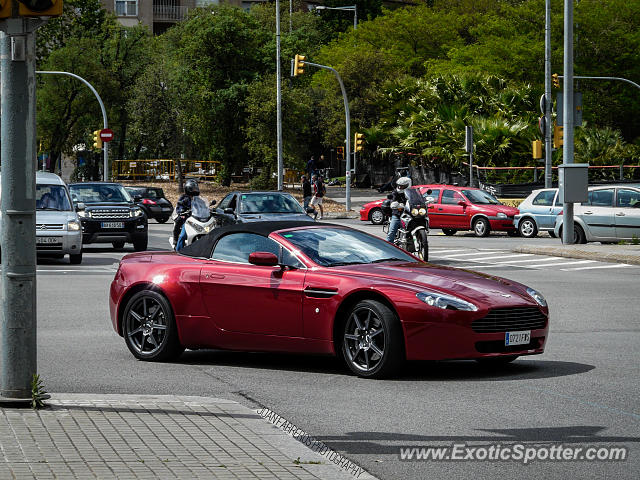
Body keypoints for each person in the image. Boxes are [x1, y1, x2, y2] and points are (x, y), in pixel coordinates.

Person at [173, 179, 199, 251]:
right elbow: (180, 205)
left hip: (197, 218)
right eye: (193, 188)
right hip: (186, 218)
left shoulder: (198, 199)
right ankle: (177, 246)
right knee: (182, 236)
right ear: (188, 188)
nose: (195, 189)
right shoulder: (183, 197)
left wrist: (207, 209)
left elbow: (203, 206)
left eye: (195, 187)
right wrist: (181, 211)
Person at [386, 176, 411, 243]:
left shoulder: (412, 192)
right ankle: (388, 247)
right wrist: (395, 204)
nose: (400, 187)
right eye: (399, 186)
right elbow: (393, 200)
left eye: (402, 186)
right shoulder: (395, 192)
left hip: (409, 215)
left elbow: (417, 199)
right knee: (391, 233)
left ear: (408, 185)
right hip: (398, 214)